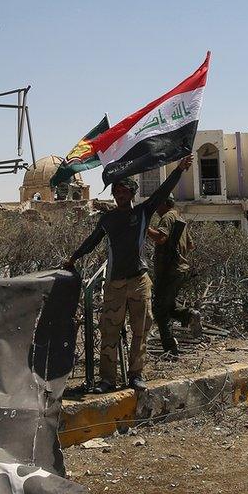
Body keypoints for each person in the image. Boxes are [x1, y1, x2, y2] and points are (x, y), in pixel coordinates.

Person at [62, 155, 193, 393]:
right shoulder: (108, 219)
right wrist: (72, 258)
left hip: (139, 282)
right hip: (114, 284)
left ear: (132, 194)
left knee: (140, 331)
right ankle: (107, 380)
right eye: (117, 191)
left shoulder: (143, 212)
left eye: (124, 191)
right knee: (109, 331)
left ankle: (135, 375)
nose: (120, 195)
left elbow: (162, 192)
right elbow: (92, 241)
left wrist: (179, 169)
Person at [148, 196, 201, 355]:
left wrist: (144, 227)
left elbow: (161, 237)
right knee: (168, 305)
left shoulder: (167, 217)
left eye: (157, 204)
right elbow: (191, 245)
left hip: (169, 271)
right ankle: (190, 315)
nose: (156, 208)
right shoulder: (178, 217)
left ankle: (170, 349)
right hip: (180, 270)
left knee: (159, 310)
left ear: (164, 203)